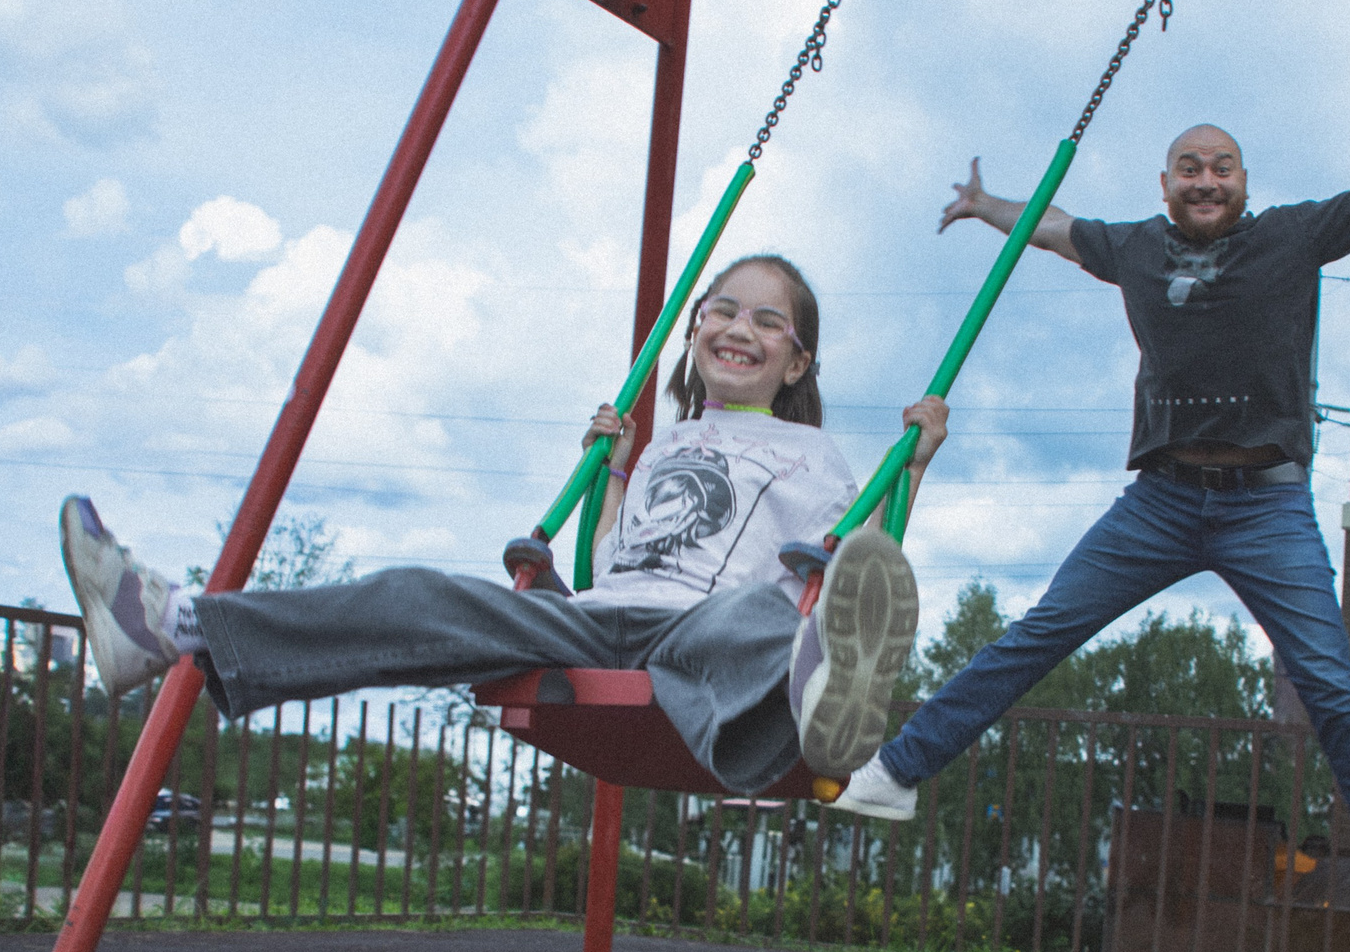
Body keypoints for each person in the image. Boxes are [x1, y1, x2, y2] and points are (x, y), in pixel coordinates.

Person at [828, 116, 1350, 952]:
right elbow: (1053, 232)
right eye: (1189, 170)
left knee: (1331, 686)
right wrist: (987, 207)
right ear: (1163, 185)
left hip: (1266, 506)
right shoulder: (1134, 247)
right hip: (1162, 500)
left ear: (1246, 183)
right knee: (1044, 629)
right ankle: (900, 769)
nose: (1207, 182)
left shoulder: (1292, 234)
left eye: (1223, 170)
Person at [59, 254, 950, 797]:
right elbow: (620, 562)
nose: (738, 327)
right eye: (721, 309)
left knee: (767, 613)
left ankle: (821, 698)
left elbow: (843, 560)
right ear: (693, 332)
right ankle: (169, 625)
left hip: (709, 636)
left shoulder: (817, 453)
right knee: (428, 593)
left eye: (767, 319)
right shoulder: (663, 443)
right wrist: (609, 480)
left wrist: (910, 467)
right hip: (605, 619)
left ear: (798, 359)